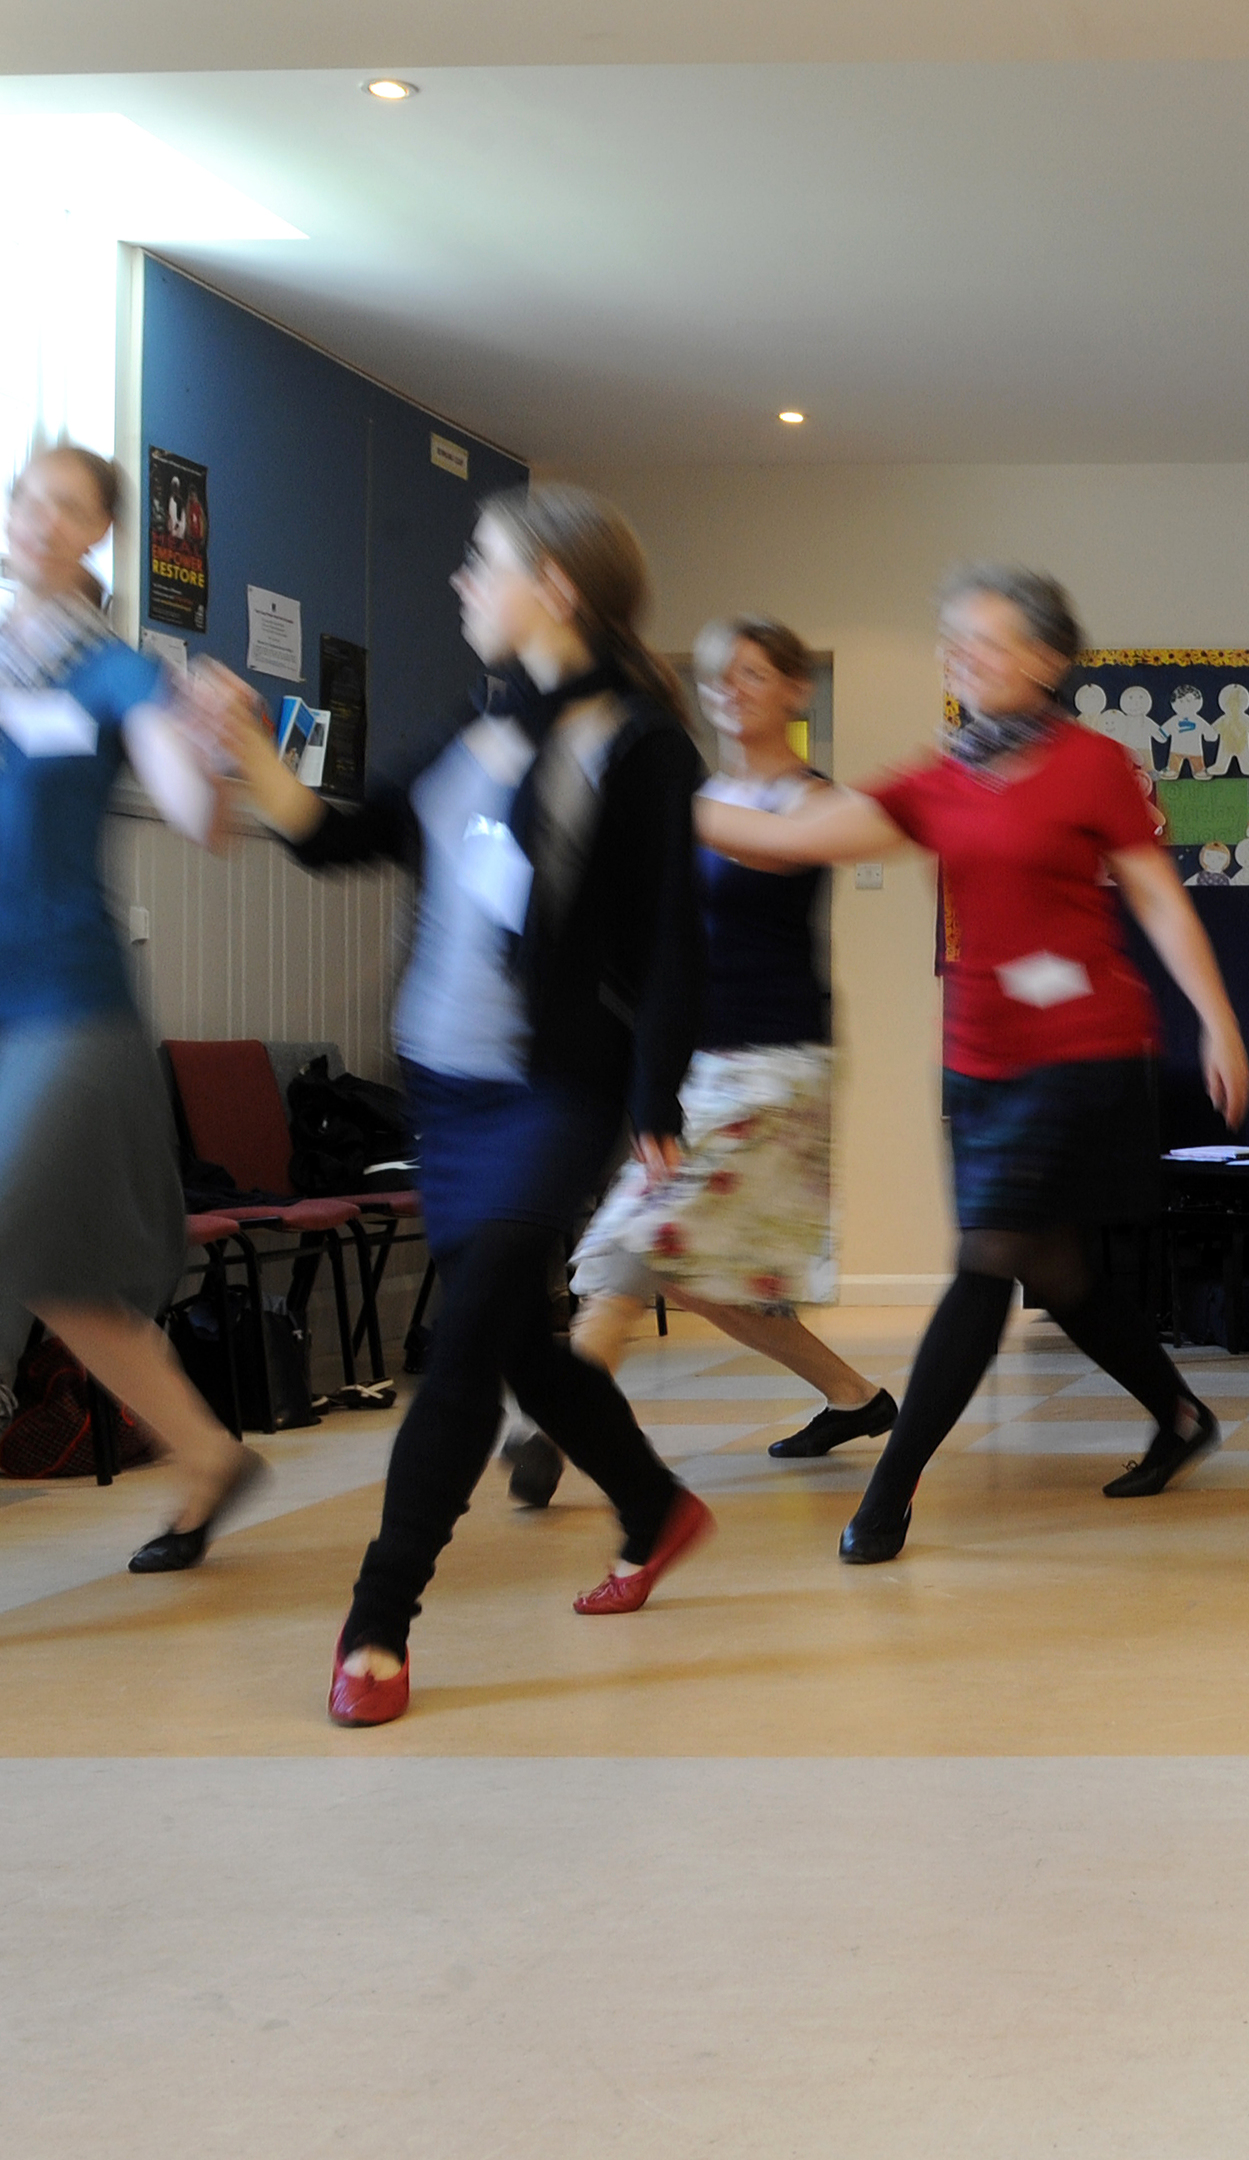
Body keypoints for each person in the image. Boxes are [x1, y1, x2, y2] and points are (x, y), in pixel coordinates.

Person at [210, 483, 716, 1728]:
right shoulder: (474, 725)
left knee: (467, 1338)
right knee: (519, 1335)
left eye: (481, 563)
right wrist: (254, 764)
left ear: (555, 588)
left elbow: (669, 944)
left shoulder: (642, 746)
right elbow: (352, 838)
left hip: (559, 1087)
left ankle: (378, 1622)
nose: (459, 583)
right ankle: (654, 1506)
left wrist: (658, 1095)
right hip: (447, 1081)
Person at [696, 564, 1249, 1564]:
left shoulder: (1094, 764)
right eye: (952, 639)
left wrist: (1218, 1019)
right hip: (977, 1059)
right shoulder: (935, 776)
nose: (961, 656)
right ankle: (1177, 1413)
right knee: (1056, 1265)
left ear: (1045, 659)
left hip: (1083, 1048)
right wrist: (662, 804)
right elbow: (795, 840)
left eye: (985, 642)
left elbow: (1160, 899)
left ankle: (890, 1488)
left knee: (988, 1258)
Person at [507, 616, 893, 1503]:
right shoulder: (701, 796)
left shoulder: (807, 800)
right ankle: (856, 1396)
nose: (732, 688)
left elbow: (768, 848)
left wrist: (648, 797)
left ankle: (554, 1431)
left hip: (775, 1066)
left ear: (797, 690)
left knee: (641, 1240)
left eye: (754, 674)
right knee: (707, 1272)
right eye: (719, 676)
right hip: (698, 1064)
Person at [0, 442, 267, 1573]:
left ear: (99, 534)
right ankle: (208, 1456)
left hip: (69, 1004)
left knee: (19, 1219)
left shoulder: (112, 672)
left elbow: (195, 816)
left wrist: (213, 744)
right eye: (30, 497)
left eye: (71, 508)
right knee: (56, 1271)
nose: (44, 519)